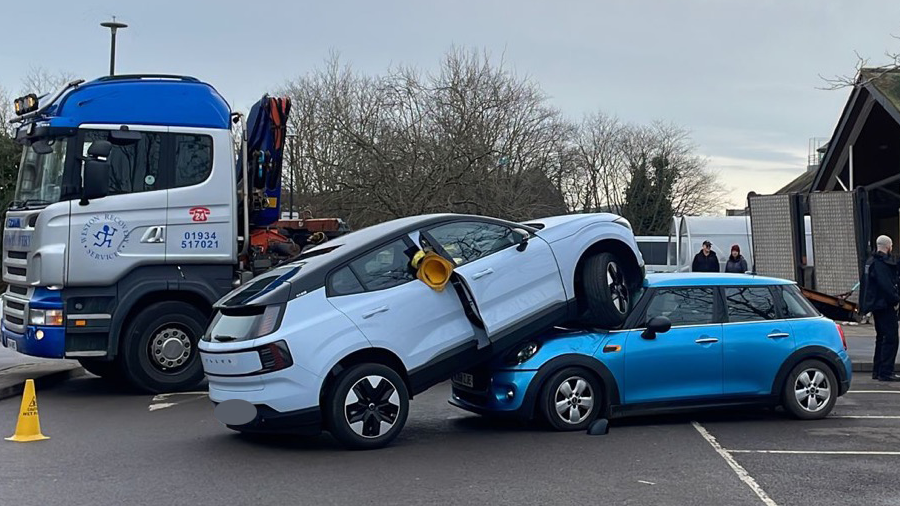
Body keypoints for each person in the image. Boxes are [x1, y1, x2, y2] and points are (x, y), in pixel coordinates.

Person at [861, 235, 900, 382]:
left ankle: (877, 370)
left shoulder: (870, 262)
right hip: (884, 306)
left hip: (875, 306)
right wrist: (896, 299)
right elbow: (887, 286)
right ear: (888, 246)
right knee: (891, 338)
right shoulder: (881, 264)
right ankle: (886, 371)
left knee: (880, 338)